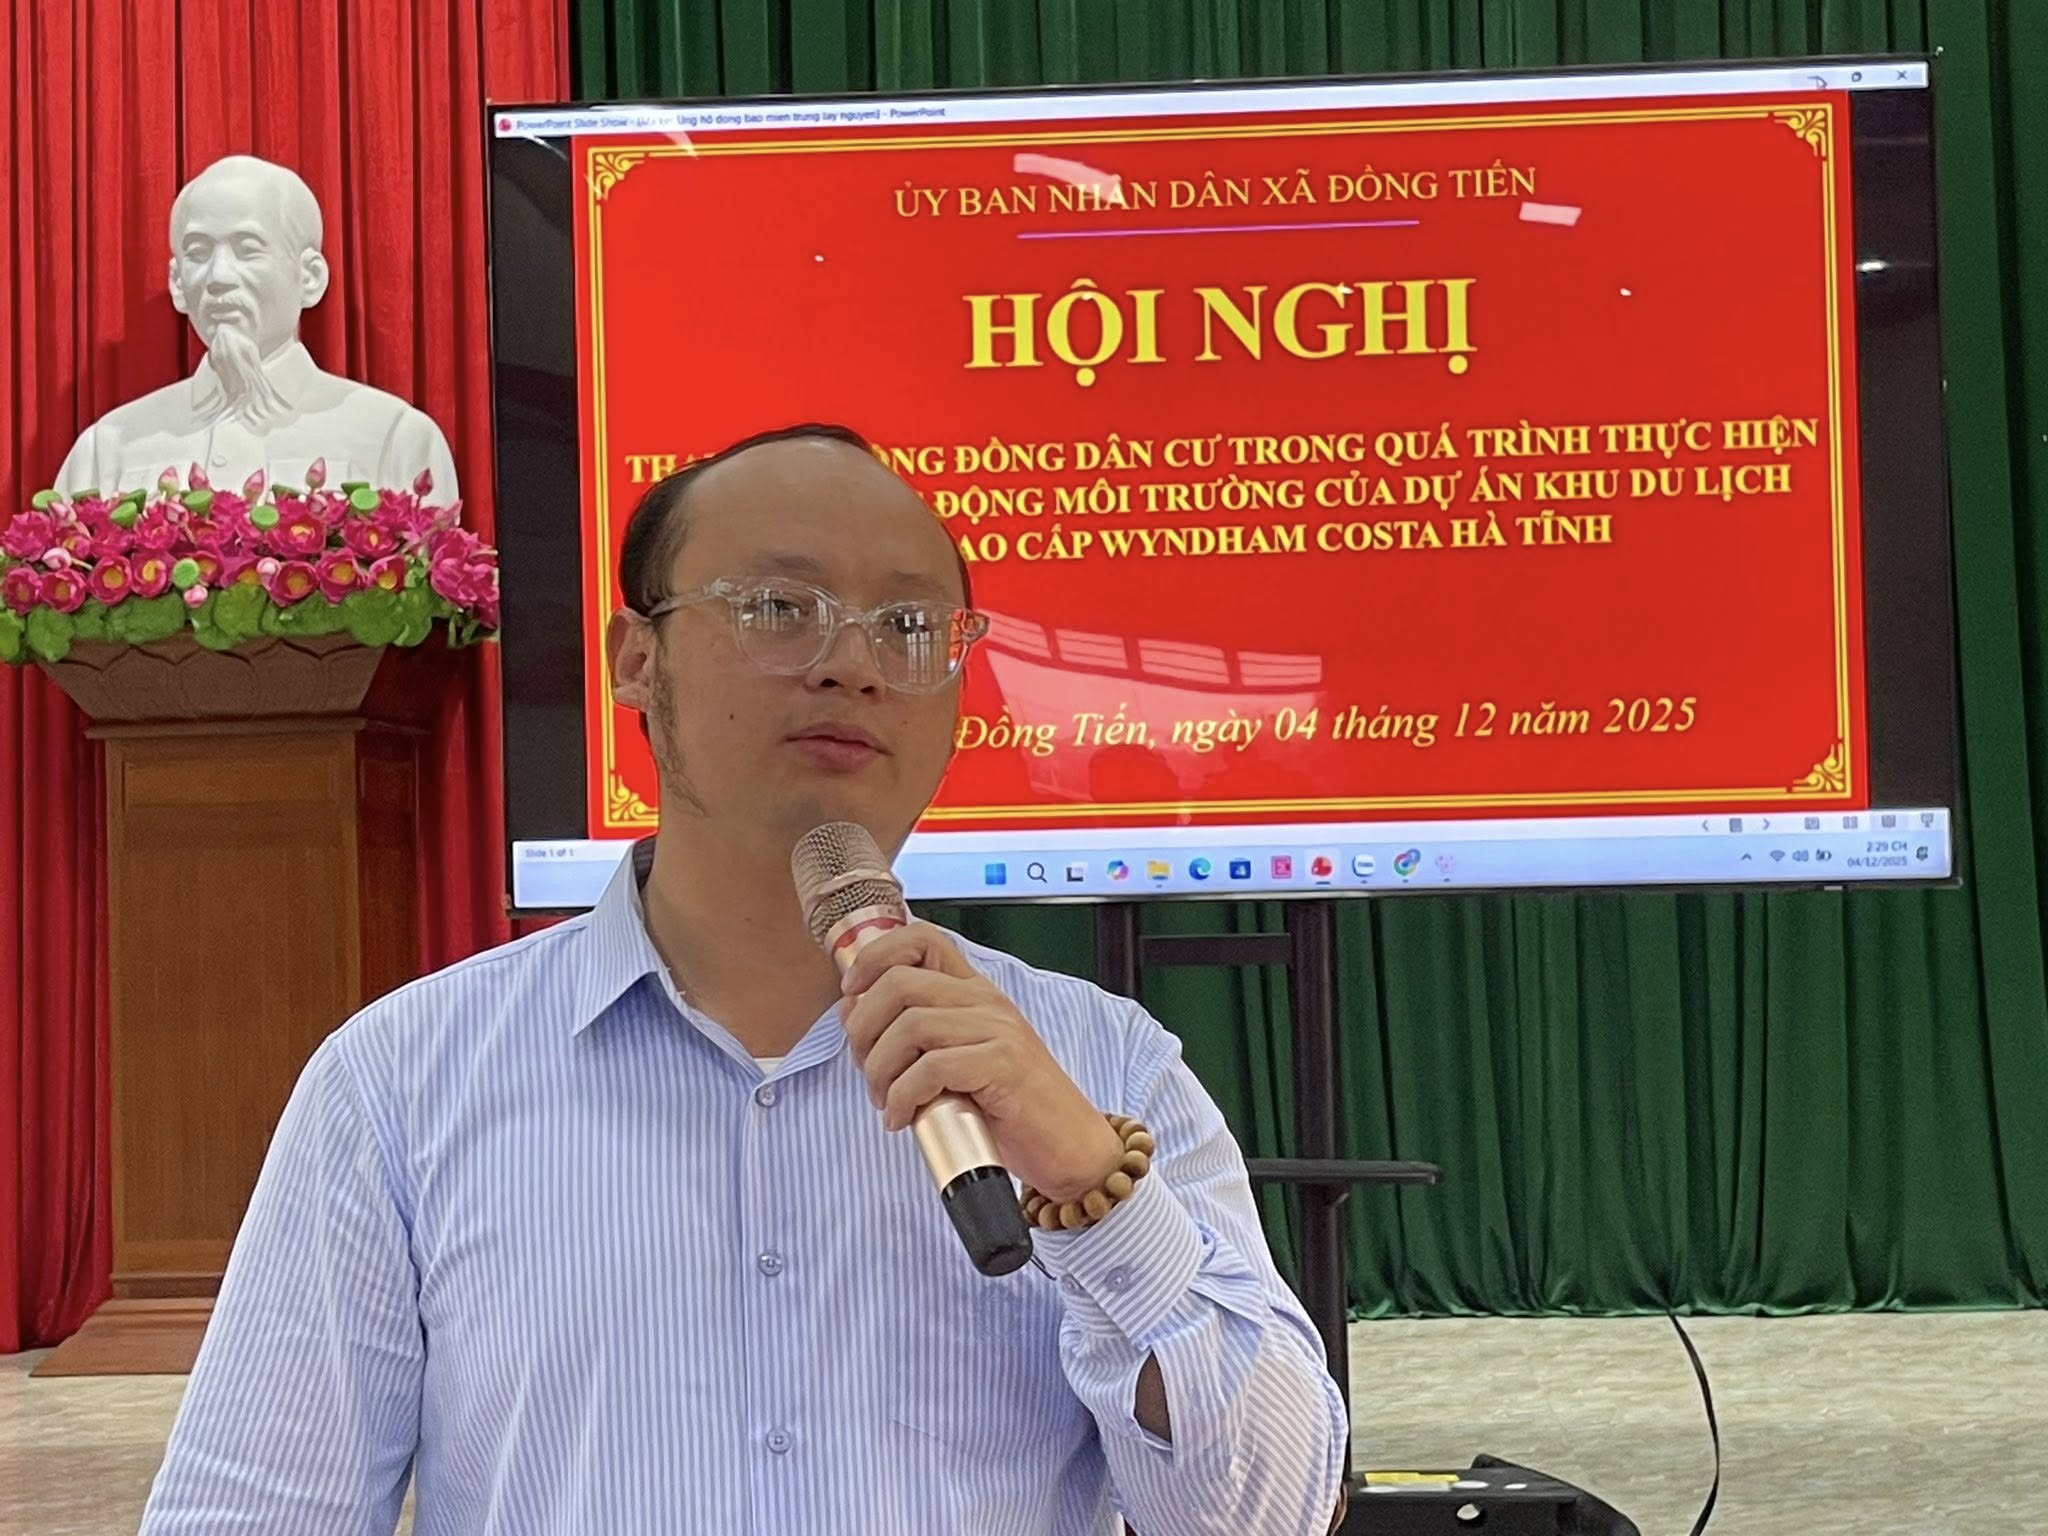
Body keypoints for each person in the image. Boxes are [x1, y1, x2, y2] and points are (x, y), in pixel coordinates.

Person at [138, 425, 1348, 1535]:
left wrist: (1092, 1190)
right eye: (779, 607)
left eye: (908, 627)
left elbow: (1270, 1515)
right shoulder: (401, 1083)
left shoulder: (1102, 1066)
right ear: (635, 659)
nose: (852, 665)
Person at [55, 155, 458, 498]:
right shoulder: (108, 450)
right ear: (177, 283)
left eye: (247, 249)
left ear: (310, 277)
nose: (218, 277)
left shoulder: (393, 439)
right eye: (198, 252)